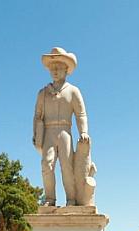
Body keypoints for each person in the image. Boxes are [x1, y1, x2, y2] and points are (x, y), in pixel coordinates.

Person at [33, 47, 91, 206]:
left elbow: (81, 114)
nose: (55, 71)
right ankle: (50, 199)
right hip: (48, 132)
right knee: (46, 165)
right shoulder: (43, 93)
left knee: (67, 167)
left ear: (66, 69)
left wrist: (83, 131)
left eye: (58, 67)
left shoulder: (73, 91)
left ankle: (71, 199)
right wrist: (36, 136)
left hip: (65, 131)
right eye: (52, 68)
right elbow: (37, 116)